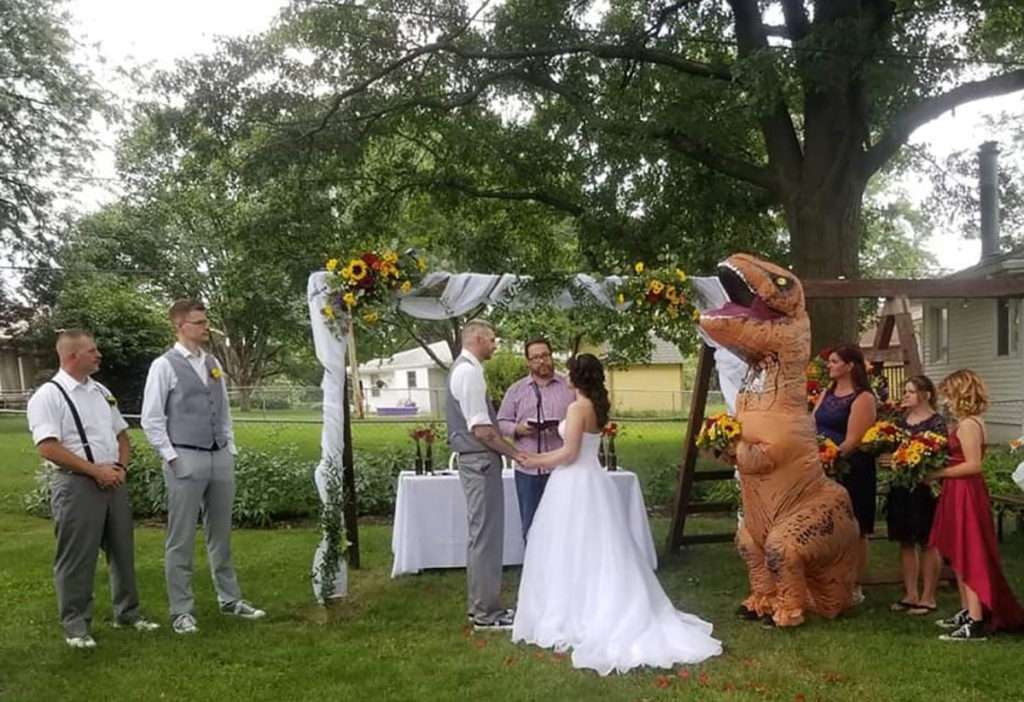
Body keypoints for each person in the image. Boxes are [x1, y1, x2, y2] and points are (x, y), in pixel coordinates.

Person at [513, 354, 721, 675]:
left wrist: (534, 460)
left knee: (571, 547)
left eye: (569, 370)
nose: (564, 374)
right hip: (592, 479)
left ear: (577, 376)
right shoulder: (593, 406)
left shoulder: (576, 407)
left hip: (573, 482)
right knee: (596, 547)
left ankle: (574, 608)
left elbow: (568, 454)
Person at [26, 329, 160, 648]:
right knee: (77, 558)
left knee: (122, 553)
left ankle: (127, 613)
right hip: (76, 485)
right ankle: (76, 626)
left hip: (113, 482)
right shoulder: (49, 396)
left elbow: (122, 435)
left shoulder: (101, 391)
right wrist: (94, 471)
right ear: (72, 356)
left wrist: (120, 468)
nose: (99, 354)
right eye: (92, 350)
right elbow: (48, 447)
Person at [141, 299, 265, 634]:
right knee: (180, 538)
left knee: (221, 535)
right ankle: (181, 610)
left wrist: (230, 446)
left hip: (219, 455)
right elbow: (152, 419)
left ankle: (230, 599)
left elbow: (223, 408)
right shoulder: (164, 366)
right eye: (198, 322)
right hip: (185, 455)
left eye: (205, 321)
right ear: (179, 326)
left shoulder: (213, 363)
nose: (204, 327)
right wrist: (171, 456)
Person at [928, 369, 1024, 641]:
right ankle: (968, 610)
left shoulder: (969, 425)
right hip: (957, 490)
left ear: (961, 394)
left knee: (969, 549)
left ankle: (977, 621)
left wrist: (937, 474)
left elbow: (973, 465)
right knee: (959, 549)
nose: (945, 402)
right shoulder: (966, 422)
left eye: (948, 396)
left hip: (966, 491)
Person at [447, 319, 526, 630]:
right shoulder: (469, 373)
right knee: (486, 538)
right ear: (477, 338)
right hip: (479, 461)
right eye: (492, 339)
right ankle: (486, 614)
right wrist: (515, 452)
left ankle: (481, 607)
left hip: (475, 461)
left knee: (482, 536)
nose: (495, 345)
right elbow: (483, 430)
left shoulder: (464, 369)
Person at [813, 342, 877, 603]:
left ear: (850, 366)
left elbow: (853, 440)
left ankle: (854, 585)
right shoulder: (828, 391)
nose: (830, 365)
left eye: (835, 362)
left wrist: (831, 458)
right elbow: (812, 420)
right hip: (822, 466)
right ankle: (827, 579)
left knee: (855, 528)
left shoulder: (863, 398)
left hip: (853, 468)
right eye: (830, 362)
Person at [498, 338, 576, 541]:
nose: (542, 361)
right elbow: (500, 422)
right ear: (528, 362)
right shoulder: (517, 390)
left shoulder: (569, 387)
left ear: (552, 356)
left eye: (545, 355)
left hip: (562, 467)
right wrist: (519, 429)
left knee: (563, 524)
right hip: (528, 469)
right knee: (531, 525)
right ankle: (534, 570)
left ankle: (561, 570)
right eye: (535, 358)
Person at [883, 376, 946, 615]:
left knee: (928, 541)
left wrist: (910, 460)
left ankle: (928, 597)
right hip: (901, 487)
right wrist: (889, 458)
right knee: (905, 541)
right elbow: (891, 450)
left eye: (910, 391)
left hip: (924, 488)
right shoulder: (899, 421)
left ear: (925, 395)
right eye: (905, 391)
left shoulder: (936, 423)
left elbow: (937, 456)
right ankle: (910, 594)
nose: (905, 395)